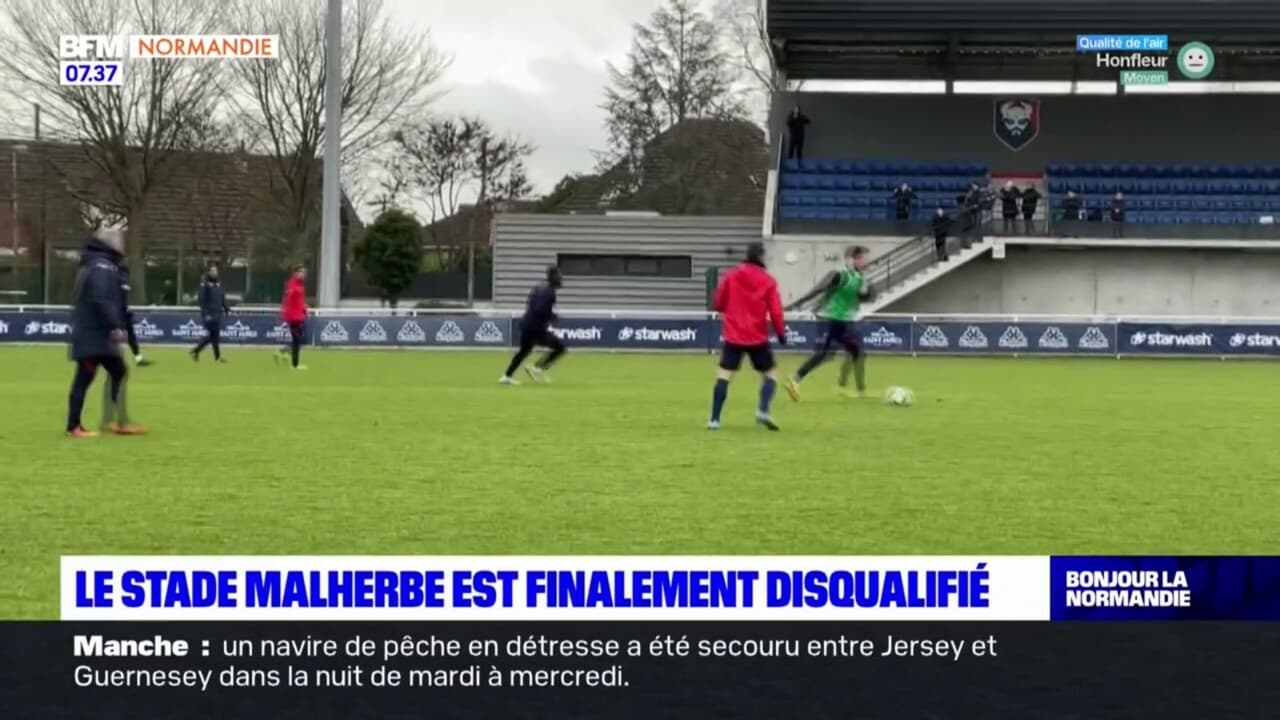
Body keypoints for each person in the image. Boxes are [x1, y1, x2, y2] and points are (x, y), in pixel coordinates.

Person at [65, 228, 144, 437]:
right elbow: (101, 299)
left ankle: (114, 421)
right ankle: (74, 426)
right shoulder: (102, 266)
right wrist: (115, 326)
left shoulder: (95, 263)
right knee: (86, 377)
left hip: (93, 332)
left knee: (116, 371)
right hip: (95, 333)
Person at [708, 242, 786, 431]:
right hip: (757, 336)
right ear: (762, 257)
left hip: (734, 335)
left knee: (724, 376)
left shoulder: (732, 275)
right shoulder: (768, 281)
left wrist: (730, 308)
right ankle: (762, 411)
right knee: (771, 375)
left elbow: (717, 302)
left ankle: (714, 420)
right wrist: (781, 332)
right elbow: (776, 311)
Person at [783, 246, 874, 402]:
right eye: (860, 258)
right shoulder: (840, 274)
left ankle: (860, 390)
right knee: (825, 354)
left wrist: (866, 292)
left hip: (843, 321)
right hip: (830, 318)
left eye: (864, 258)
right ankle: (795, 379)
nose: (864, 261)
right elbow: (819, 288)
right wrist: (797, 303)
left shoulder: (860, 279)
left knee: (857, 353)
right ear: (850, 260)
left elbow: (865, 297)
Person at [500, 266, 567, 385]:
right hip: (536, 328)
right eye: (559, 275)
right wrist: (552, 316)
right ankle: (538, 368)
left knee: (524, 351)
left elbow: (530, 303)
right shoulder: (550, 292)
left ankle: (507, 376)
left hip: (526, 324)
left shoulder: (538, 287)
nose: (561, 278)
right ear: (554, 277)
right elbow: (540, 309)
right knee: (560, 348)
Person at [191, 261, 230, 363]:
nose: (215, 272)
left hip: (217, 314)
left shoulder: (218, 284)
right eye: (212, 271)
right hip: (209, 314)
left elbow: (221, 298)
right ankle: (198, 352)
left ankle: (197, 352)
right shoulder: (204, 284)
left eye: (216, 271)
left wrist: (226, 308)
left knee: (214, 336)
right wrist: (206, 313)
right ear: (208, 272)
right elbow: (202, 300)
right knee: (212, 336)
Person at [117, 263, 152, 366]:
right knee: (124, 336)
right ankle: (136, 358)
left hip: (121, 312)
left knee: (128, 335)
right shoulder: (121, 280)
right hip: (118, 313)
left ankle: (138, 358)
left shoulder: (115, 279)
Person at [276, 265, 308, 370]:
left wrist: (304, 310)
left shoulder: (300, 285)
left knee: (299, 339)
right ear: (296, 273)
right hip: (294, 317)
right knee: (297, 340)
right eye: (301, 272)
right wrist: (284, 312)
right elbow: (287, 297)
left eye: (304, 272)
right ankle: (294, 364)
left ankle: (283, 352)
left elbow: (300, 301)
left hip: (299, 316)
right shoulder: (292, 284)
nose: (303, 274)